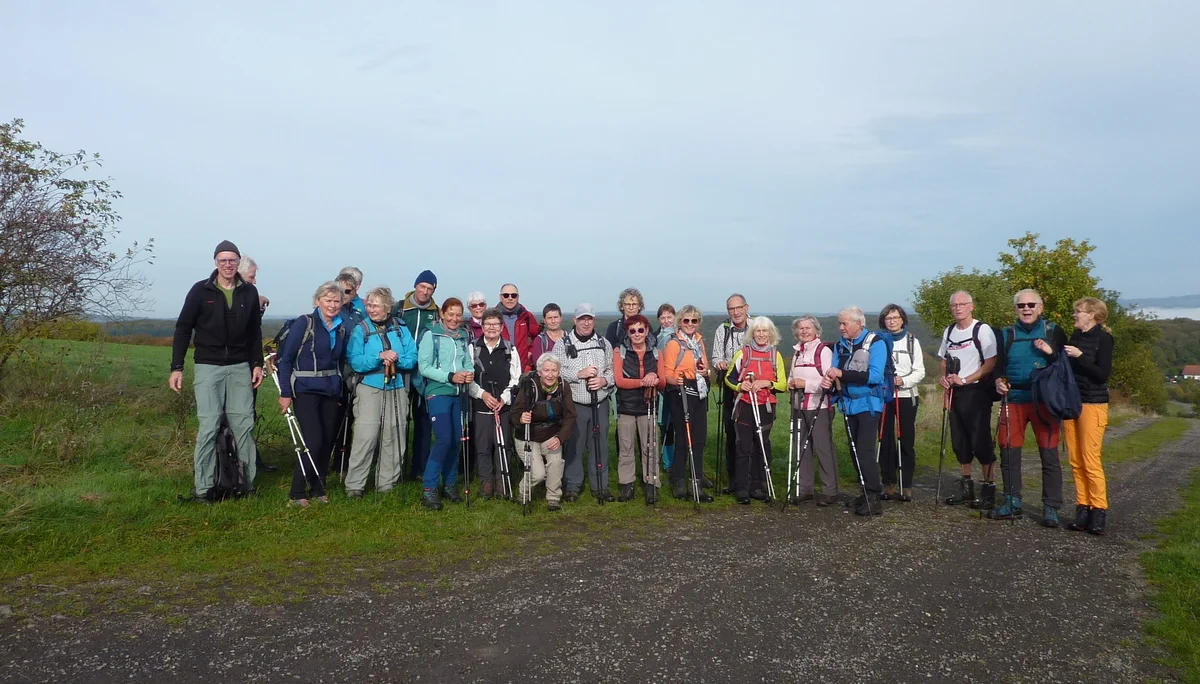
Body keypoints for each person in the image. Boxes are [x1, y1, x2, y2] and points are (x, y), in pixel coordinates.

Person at [170, 240, 264, 503]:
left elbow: (254, 332)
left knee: (243, 425)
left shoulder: (248, 293)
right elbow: (183, 328)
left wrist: (256, 364)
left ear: (238, 263)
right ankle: (204, 488)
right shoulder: (200, 291)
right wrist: (176, 367)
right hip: (208, 366)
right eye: (222, 260)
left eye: (232, 260)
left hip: (239, 367)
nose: (227, 264)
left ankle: (246, 484)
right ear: (215, 262)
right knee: (209, 426)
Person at [989, 289, 1069, 527]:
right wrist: (997, 381)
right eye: (1021, 305)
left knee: (1049, 453)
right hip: (1013, 398)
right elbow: (997, 366)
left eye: (1031, 305)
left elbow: (1066, 366)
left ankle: (1051, 507)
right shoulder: (1006, 334)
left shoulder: (1053, 331)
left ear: (1040, 307)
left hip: (1044, 400)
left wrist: (1051, 352)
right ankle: (1012, 501)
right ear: (1015, 309)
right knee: (1009, 451)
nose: (1026, 309)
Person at [276, 281, 349, 507]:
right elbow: (286, 359)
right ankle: (297, 493)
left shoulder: (341, 327)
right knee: (313, 440)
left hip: (330, 389)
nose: (333, 305)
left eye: (337, 301)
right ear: (317, 301)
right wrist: (285, 393)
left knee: (327, 440)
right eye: (328, 300)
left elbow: (340, 361)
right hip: (305, 389)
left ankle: (318, 488)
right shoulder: (304, 323)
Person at [344, 286, 418, 498]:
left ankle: (386, 484)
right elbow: (356, 361)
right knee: (365, 436)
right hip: (370, 387)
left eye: (376, 305)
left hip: (397, 387)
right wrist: (379, 355)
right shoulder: (361, 330)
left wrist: (396, 358)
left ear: (387, 308)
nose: (371, 309)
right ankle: (355, 485)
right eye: (369, 305)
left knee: (394, 436)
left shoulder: (401, 328)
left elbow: (412, 357)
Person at [821, 306, 886, 516]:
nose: (841, 327)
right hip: (849, 404)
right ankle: (864, 492)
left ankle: (874, 496)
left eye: (844, 323)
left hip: (869, 404)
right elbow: (835, 371)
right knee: (855, 451)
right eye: (840, 323)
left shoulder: (876, 343)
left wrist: (842, 373)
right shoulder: (841, 346)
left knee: (865, 451)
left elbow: (875, 376)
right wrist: (829, 380)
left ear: (858, 323)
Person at [936, 291, 999, 509]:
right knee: (959, 441)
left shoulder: (982, 330)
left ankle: (988, 488)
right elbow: (944, 359)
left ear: (971, 306)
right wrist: (944, 380)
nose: (958, 308)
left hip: (976, 391)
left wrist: (965, 378)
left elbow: (990, 363)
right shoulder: (949, 331)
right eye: (954, 305)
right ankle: (966, 487)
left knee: (980, 440)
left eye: (962, 304)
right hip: (955, 392)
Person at [552, 304, 615, 502]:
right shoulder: (562, 344)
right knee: (574, 446)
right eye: (582, 319)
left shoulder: (604, 343)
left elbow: (612, 370)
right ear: (575, 320)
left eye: (589, 318)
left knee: (600, 445)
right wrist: (579, 374)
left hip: (600, 402)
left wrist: (604, 381)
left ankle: (600, 486)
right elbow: (555, 372)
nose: (586, 322)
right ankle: (572, 485)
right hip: (575, 403)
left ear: (594, 320)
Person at [1062, 297, 1114, 535]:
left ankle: (1098, 510)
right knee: (1075, 458)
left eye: (1078, 311)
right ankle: (1082, 508)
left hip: (1093, 404)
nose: (1074, 314)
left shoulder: (1104, 338)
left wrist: (1079, 356)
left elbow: (1102, 374)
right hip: (1072, 403)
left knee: (1090, 458)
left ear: (1092, 314)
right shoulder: (1076, 337)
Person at [416, 297, 473, 510]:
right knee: (443, 439)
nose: (454, 319)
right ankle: (429, 488)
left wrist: (469, 374)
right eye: (451, 314)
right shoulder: (431, 335)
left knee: (456, 439)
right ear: (442, 314)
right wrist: (450, 376)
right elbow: (424, 367)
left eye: (458, 315)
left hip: (459, 394)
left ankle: (449, 484)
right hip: (438, 391)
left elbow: (467, 362)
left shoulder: (462, 337)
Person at [725, 316, 787, 504]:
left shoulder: (775, 355)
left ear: (771, 333)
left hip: (766, 406)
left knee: (761, 444)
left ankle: (758, 486)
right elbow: (729, 378)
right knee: (743, 445)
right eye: (757, 331)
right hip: (744, 405)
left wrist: (767, 383)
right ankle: (742, 488)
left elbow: (783, 384)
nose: (761, 334)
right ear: (752, 333)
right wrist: (739, 386)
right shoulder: (742, 353)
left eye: (764, 331)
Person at [660, 305, 714, 502]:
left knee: (699, 438)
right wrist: (679, 380)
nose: (690, 324)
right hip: (679, 393)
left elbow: (705, 367)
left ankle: (696, 481)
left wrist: (705, 372)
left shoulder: (699, 342)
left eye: (694, 321)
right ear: (679, 322)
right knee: (683, 437)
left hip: (699, 392)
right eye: (686, 320)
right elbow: (667, 374)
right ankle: (679, 480)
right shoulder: (674, 344)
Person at [468, 308, 522, 499]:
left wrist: (504, 398)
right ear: (482, 326)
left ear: (501, 327)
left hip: (503, 406)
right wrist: (482, 394)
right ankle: (486, 482)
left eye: (495, 324)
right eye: (488, 324)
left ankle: (502, 481)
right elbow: (469, 377)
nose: (491, 328)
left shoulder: (510, 349)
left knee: (503, 445)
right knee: (482, 445)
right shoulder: (472, 348)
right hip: (481, 406)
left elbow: (516, 378)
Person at [512, 354, 577, 511]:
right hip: (529, 436)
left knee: (556, 463)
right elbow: (514, 413)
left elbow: (571, 415)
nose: (550, 374)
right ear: (539, 372)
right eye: (546, 370)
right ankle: (523, 494)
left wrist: (561, 437)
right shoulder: (529, 386)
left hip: (551, 434)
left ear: (559, 372)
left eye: (554, 370)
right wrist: (521, 418)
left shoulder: (563, 386)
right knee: (538, 474)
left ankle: (553, 498)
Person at [612, 314, 665, 503]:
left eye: (640, 330)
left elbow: (663, 381)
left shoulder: (657, 353)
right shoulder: (620, 352)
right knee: (626, 448)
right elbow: (619, 381)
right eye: (632, 330)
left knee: (650, 447)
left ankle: (651, 484)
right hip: (626, 407)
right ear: (627, 332)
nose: (637, 334)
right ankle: (627, 484)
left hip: (648, 406)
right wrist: (643, 382)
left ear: (647, 330)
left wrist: (655, 378)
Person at [393, 270, 441, 481]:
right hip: (400, 371)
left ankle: (419, 468)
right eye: (422, 287)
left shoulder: (437, 313)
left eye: (429, 288)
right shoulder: (399, 309)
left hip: (424, 375)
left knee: (423, 422)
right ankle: (396, 467)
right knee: (399, 421)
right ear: (415, 286)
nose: (425, 291)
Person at [786, 316, 837, 506]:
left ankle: (830, 491)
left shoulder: (822, 351)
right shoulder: (797, 351)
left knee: (823, 448)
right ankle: (805, 489)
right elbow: (792, 375)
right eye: (800, 328)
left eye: (808, 328)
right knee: (801, 448)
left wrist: (804, 384)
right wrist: (791, 383)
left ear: (816, 330)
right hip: (799, 406)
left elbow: (828, 380)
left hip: (820, 406)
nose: (804, 331)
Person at [878, 304, 925, 502]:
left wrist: (903, 381)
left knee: (906, 441)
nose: (892, 321)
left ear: (903, 319)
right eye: (888, 318)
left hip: (906, 396)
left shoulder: (913, 341)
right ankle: (888, 484)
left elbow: (920, 371)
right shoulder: (878, 340)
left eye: (895, 318)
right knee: (885, 440)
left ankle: (906, 485)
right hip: (884, 397)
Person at [237, 255, 277, 473]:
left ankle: (250, 459)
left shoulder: (248, 296)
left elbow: (253, 331)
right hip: (236, 366)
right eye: (252, 277)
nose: (254, 281)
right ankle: (241, 462)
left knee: (248, 413)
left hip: (248, 365)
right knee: (241, 415)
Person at [711, 294, 750, 492]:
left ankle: (754, 479)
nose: (735, 312)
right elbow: (716, 356)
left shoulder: (757, 327)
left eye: (738, 308)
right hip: (730, 384)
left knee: (752, 432)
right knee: (731, 430)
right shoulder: (723, 329)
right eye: (731, 309)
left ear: (746, 307)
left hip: (753, 386)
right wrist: (720, 363)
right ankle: (734, 479)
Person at [496, 283, 541, 372]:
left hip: (522, 367)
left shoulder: (526, 316)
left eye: (513, 295)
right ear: (500, 297)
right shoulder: (493, 316)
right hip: (499, 366)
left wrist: (531, 351)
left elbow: (537, 335)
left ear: (518, 297)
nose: (510, 298)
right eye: (506, 295)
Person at [653, 303, 677, 470]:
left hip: (678, 385)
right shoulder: (654, 337)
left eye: (669, 317)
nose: (666, 321)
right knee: (665, 424)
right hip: (662, 388)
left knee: (680, 425)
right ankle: (669, 463)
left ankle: (679, 462)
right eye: (663, 317)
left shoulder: (681, 335)